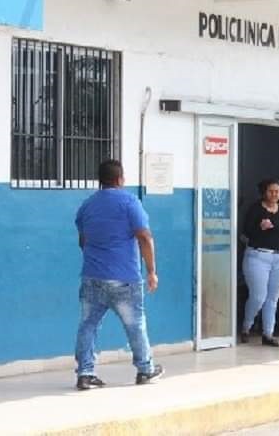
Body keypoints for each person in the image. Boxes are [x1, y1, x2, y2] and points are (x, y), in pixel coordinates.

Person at [74, 159, 163, 390]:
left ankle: (85, 373)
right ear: (120, 179)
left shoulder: (87, 206)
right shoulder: (129, 202)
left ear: (100, 180)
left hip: (92, 277)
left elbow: (83, 240)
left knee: (88, 325)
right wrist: (152, 271)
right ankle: (145, 369)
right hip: (124, 279)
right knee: (135, 325)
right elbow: (144, 237)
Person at [240, 178, 279, 347]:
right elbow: (246, 232)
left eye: (278, 191)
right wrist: (259, 228)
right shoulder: (255, 209)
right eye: (271, 191)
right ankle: (246, 326)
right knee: (259, 296)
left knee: (273, 297)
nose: (275, 194)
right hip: (258, 256)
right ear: (264, 192)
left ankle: (268, 333)